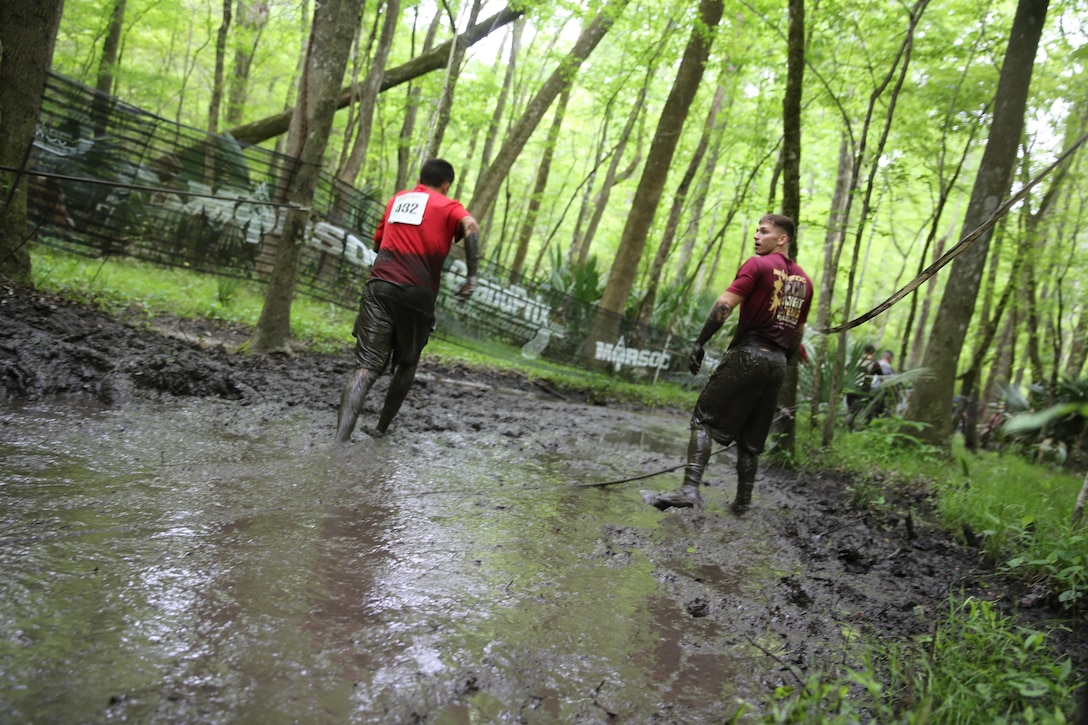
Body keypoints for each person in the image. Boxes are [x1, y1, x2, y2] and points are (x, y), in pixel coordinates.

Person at [642, 214, 813, 513]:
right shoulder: (805, 283)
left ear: (782, 239)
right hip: (776, 363)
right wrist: (779, 365)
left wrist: (700, 341)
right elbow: (797, 333)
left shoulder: (757, 264)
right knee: (752, 439)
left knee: (704, 421)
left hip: (749, 354)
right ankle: (742, 504)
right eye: (757, 231)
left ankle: (689, 490)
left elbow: (724, 306)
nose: (756, 236)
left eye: (764, 232)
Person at [335, 158, 479, 443]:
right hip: (418, 293)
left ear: (420, 178)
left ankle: (339, 440)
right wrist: (471, 277)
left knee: (365, 368)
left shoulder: (396, 200)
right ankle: (380, 429)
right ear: (447, 184)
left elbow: (378, 243)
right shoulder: (449, 206)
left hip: (380, 285)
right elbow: (471, 226)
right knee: (407, 363)